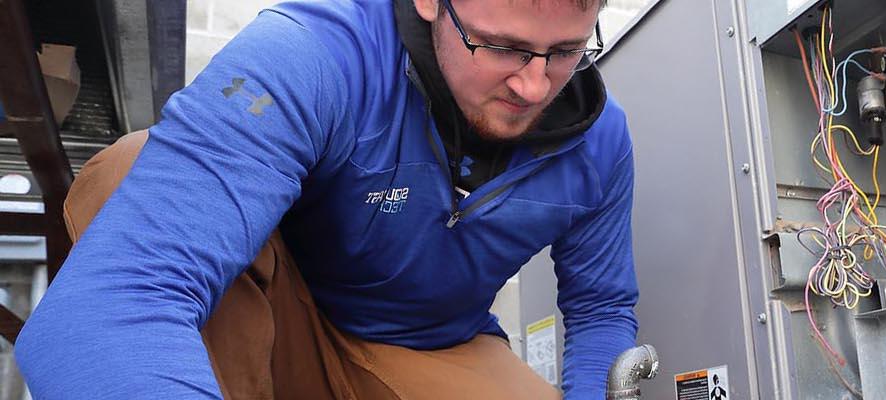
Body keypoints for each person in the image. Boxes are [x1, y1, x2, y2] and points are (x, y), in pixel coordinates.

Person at [15, 0, 637, 398]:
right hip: (284, 318)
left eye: (565, 52)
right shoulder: (312, 54)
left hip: (436, 346)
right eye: (500, 46)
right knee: (133, 166)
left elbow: (602, 307)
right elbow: (114, 298)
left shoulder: (601, 143)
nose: (533, 86)